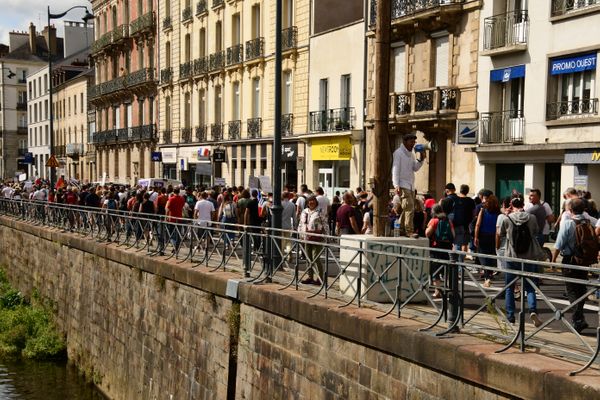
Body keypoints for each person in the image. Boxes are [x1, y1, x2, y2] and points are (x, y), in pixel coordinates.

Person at [497, 197, 545, 326]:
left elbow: (500, 233)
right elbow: (536, 232)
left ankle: (510, 316)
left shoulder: (507, 219)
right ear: (523, 204)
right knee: (530, 287)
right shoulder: (532, 218)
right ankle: (533, 310)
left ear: (511, 205)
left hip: (512, 256)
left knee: (509, 288)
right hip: (529, 256)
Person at [552, 198, 597, 333]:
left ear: (570, 210)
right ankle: (580, 318)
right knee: (581, 289)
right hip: (584, 260)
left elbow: (559, 244)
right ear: (584, 209)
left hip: (570, 260)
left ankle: (577, 320)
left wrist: (553, 260)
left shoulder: (568, 223)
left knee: (572, 290)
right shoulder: (588, 221)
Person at [391, 131, 425, 238]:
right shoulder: (398, 153)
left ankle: (400, 229)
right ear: (405, 142)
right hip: (402, 185)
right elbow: (395, 170)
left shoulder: (411, 154)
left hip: (410, 185)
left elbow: (415, 168)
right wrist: (396, 185)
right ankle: (409, 230)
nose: (413, 144)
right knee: (409, 208)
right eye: (411, 142)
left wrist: (421, 159)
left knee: (407, 209)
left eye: (414, 142)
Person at [426, 204, 455, 298]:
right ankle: (449, 290)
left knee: (435, 269)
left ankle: (437, 290)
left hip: (436, 247)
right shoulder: (448, 220)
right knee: (446, 268)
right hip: (447, 247)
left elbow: (427, 233)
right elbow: (453, 235)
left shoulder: (434, 221)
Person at [298, 195, 328, 285]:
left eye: (313, 200)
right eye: (310, 201)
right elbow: (301, 224)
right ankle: (310, 277)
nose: (311, 202)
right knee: (308, 258)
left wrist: (327, 236)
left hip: (317, 237)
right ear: (307, 202)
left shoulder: (320, 211)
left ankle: (320, 278)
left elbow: (325, 223)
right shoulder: (304, 211)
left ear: (316, 202)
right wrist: (300, 235)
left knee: (316, 258)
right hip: (306, 237)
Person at [474, 195, 500, 287]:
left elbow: (477, 225)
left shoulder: (483, 211)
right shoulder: (498, 213)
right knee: (491, 255)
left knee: (483, 256)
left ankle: (487, 277)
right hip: (493, 236)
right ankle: (489, 274)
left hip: (483, 235)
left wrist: (476, 237)